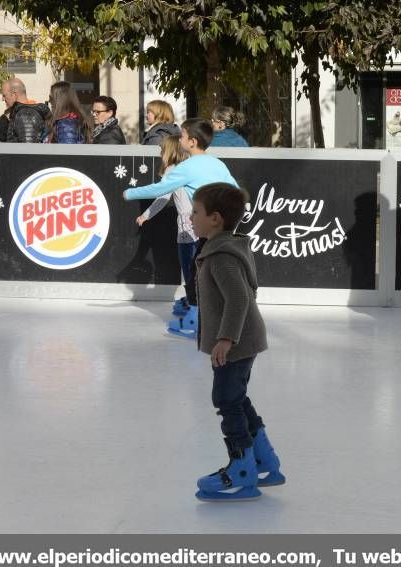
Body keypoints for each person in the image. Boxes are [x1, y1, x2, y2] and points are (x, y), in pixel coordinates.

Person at [189, 182, 284, 502]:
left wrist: (225, 339)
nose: (191, 218)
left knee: (226, 399)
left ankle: (242, 467)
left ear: (215, 219)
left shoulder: (221, 256)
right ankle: (265, 460)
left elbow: (239, 298)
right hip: (245, 337)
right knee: (237, 397)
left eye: (196, 212)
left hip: (237, 341)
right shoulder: (224, 246)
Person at [124, 118, 238, 338]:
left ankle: (197, 320)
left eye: (184, 136)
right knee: (204, 272)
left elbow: (160, 189)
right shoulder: (217, 164)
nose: (181, 139)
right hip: (216, 228)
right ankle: (204, 314)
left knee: (195, 272)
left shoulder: (186, 168)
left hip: (198, 229)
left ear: (192, 142)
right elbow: (233, 189)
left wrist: (130, 193)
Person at [136, 135, 195, 315]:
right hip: (201, 222)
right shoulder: (191, 167)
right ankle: (195, 301)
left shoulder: (172, 170)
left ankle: (194, 306)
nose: (160, 154)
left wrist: (145, 215)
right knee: (195, 266)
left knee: (188, 266)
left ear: (169, 152)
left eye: (162, 151)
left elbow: (162, 197)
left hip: (187, 226)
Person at [2, 78, 50, 143]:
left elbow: (28, 149)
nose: (2, 99)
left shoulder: (25, 114)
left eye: (4, 95)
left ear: (14, 95)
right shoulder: (22, 112)